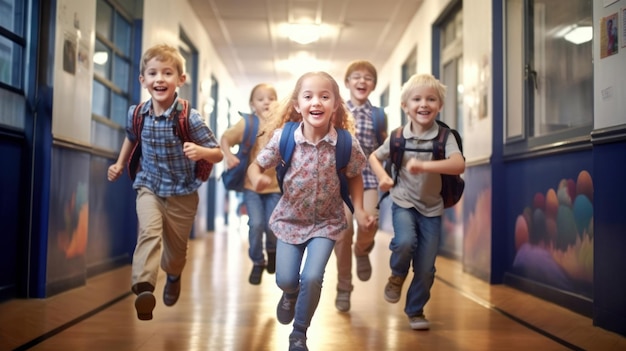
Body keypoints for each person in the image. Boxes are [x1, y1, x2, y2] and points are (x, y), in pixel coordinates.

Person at [247, 71, 376, 351]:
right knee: (286, 279)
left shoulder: (345, 142)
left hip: (327, 223)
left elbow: (354, 175)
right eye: (308, 96)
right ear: (297, 105)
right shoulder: (285, 138)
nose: (316, 102)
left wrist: (361, 209)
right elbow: (257, 164)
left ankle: (299, 334)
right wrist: (256, 176)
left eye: (324, 96)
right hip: (289, 221)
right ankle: (289, 295)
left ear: (335, 105)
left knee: (314, 277)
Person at [107, 43, 223, 321]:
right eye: (153, 73)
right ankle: (144, 286)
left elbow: (217, 152)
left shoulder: (189, 117)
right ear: (143, 80)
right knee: (148, 233)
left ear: (180, 80)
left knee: (175, 251)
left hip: (183, 192)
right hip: (149, 185)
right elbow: (131, 137)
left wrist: (201, 151)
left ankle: (173, 274)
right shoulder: (137, 114)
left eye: (167, 73)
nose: (160, 78)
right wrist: (120, 164)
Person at [369, 73, 465, 330]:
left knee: (425, 267)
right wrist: (382, 178)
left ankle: (415, 310)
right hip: (403, 202)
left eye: (431, 99)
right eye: (417, 99)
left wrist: (424, 166)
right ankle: (397, 275)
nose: (424, 104)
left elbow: (458, 164)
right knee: (404, 242)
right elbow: (374, 157)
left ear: (440, 106)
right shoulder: (398, 136)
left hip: (432, 208)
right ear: (405, 106)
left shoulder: (445, 137)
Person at [334, 60, 387, 312]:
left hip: (368, 177)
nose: (362, 81)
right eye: (356, 77)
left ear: (373, 85)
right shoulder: (337, 111)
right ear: (347, 83)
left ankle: (363, 249)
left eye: (368, 78)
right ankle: (344, 286)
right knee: (343, 231)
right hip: (341, 181)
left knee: (370, 222)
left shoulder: (378, 115)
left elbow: (384, 146)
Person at [220, 83, 280, 285]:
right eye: (261, 99)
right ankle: (257, 261)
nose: (267, 102)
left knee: (273, 226)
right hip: (251, 186)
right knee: (255, 224)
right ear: (252, 104)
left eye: (271, 98)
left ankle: (272, 250)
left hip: (276, 187)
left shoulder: (283, 124)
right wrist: (228, 156)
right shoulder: (248, 124)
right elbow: (225, 139)